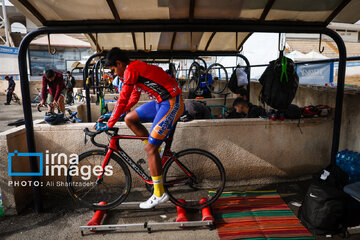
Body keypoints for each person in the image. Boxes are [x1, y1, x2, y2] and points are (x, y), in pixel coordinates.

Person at [95, 48, 184, 209]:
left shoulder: (131, 70)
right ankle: (155, 152)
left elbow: (123, 98)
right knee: (130, 118)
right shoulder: (132, 70)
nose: (114, 74)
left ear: (119, 64)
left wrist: (110, 123)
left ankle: (159, 193)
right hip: (160, 103)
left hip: (171, 103)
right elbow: (132, 98)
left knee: (150, 148)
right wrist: (114, 115)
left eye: (113, 70)